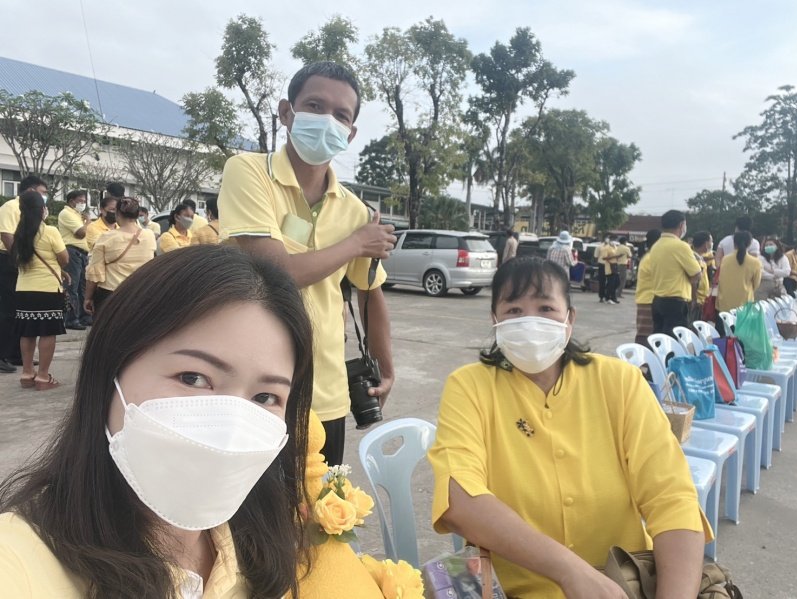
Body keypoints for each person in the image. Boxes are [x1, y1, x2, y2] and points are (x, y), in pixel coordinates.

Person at [0, 245, 314, 598]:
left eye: (265, 398)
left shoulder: (260, 544)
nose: (230, 429)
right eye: (193, 378)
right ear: (109, 373)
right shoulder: (16, 563)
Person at [427, 257, 710, 599]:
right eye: (514, 311)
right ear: (495, 320)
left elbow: (672, 497)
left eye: (546, 308)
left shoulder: (620, 381)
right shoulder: (469, 386)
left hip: (625, 585)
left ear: (569, 319)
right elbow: (459, 498)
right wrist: (569, 570)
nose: (530, 322)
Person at [218, 61, 395, 466]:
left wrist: (386, 368)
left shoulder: (355, 210)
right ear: (287, 112)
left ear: (350, 134)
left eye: (341, 115)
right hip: (251, 385)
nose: (327, 120)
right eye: (315, 106)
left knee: (322, 504)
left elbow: (370, 293)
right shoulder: (249, 172)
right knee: (251, 504)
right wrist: (356, 243)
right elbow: (274, 271)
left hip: (326, 392)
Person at [11, 190, 68, 391]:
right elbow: (64, 259)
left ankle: (27, 374)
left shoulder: (18, 234)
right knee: (47, 332)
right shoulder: (50, 231)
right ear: (42, 209)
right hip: (47, 290)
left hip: (23, 289)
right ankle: (43, 377)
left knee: (27, 332)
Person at [0, 175, 48, 373]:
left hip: (20, 261)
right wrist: (18, 258)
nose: (44, 197)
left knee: (18, 310)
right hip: (7, 259)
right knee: (7, 310)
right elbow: (6, 234)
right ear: (30, 190)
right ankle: (1, 355)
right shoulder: (11, 206)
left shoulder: (32, 210)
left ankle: (15, 354)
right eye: (42, 192)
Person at [85, 197, 157, 317]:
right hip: (140, 292)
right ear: (137, 214)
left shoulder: (107, 237)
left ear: (117, 213)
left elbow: (95, 273)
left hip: (111, 294)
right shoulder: (149, 235)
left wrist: (88, 298)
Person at [648, 210, 701, 337]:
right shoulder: (681, 246)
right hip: (675, 303)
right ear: (681, 225)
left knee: (660, 340)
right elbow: (696, 274)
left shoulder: (656, 246)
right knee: (675, 341)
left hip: (657, 300)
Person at [58, 189, 92, 330]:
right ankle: (71, 318)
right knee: (72, 286)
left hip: (82, 253)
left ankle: (84, 316)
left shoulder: (77, 215)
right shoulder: (66, 213)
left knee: (82, 286)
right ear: (72, 201)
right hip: (72, 252)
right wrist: (88, 222)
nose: (83, 204)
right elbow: (80, 233)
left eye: (84, 201)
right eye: (80, 201)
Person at [717, 232, 762, 335]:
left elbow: (721, 280)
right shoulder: (755, 262)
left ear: (734, 243)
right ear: (749, 243)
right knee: (743, 337)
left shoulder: (725, 260)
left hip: (725, 304)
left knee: (725, 336)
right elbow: (756, 284)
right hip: (745, 305)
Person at [634, 228, 661, 346]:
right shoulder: (652, 258)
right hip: (649, 300)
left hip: (647, 299)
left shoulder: (649, 256)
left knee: (646, 334)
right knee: (645, 335)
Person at [756, 236, 790, 300]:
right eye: (766, 245)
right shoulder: (760, 258)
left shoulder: (783, 258)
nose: (768, 246)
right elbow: (760, 272)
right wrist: (774, 277)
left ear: (777, 246)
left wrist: (773, 271)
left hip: (779, 285)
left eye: (771, 244)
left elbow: (787, 272)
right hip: (764, 284)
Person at [690, 231, 713, 324]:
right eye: (711, 241)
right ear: (706, 243)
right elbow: (694, 281)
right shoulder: (694, 259)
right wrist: (694, 299)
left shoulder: (700, 258)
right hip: (697, 301)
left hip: (701, 300)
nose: (712, 244)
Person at [599, 235, 622, 305]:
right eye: (612, 239)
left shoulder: (615, 247)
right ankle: (609, 298)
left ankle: (611, 296)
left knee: (617, 282)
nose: (613, 241)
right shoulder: (606, 248)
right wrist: (615, 256)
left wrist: (618, 257)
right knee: (611, 283)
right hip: (609, 266)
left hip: (615, 265)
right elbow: (604, 258)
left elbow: (616, 255)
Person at [593, 236, 610, 303]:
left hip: (609, 265)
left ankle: (607, 296)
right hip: (602, 265)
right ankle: (601, 296)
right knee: (602, 281)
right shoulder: (599, 247)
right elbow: (596, 256)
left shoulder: (612, 246)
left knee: (609, 281)